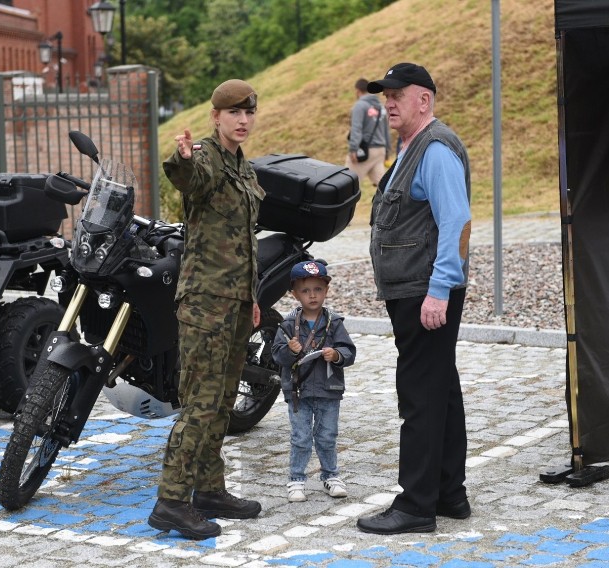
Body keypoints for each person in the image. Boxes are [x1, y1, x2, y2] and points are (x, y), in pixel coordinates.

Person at [356, 63, 473, 535]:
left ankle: (416, 505)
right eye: (386, 94)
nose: (388, 102)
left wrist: (439, 291)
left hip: (426, 292)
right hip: (415, 291)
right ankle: (449, 493)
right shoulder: (412, 147)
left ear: (423, 99)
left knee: (420, 397)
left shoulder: (437, 149)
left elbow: (456, 223)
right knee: (440, 387)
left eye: (398, 94)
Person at [148, 79, 264, 540]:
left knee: (222, 400)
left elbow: (246, 244)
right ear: (215, 117)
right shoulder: (209, 159)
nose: (242, 120)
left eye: (248, 113)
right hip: (205, 301)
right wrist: (183, 158)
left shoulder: (244, 167)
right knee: (200, 400)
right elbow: (188, 178)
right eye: (233, 113)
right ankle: (171, 500)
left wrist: (253, 297)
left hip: (236, 302)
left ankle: (209, 490)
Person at [271, 261, 357, 503]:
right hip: (298, 391)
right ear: (295, 293)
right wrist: (289, 350)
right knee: (300, 437)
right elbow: (276, 355)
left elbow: (349, 351)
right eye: (306, 290)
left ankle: (331, 475)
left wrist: (337, 355)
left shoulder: (334, 322)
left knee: (328, 436)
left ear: (326, 290)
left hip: (329, 389)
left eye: (318, 289)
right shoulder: (287, 325)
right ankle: (296, 479)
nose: (312, 295)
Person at [346, 77, 392, 186]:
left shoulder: (359, 106)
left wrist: (353, 149)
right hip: (380, 151)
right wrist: (387, 151)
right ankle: (396, 203)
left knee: (347, 185)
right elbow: (386, 131)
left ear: (357, 91)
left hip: (365, 151)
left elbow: (356, 129)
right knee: (383, 188)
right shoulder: (381, 108)